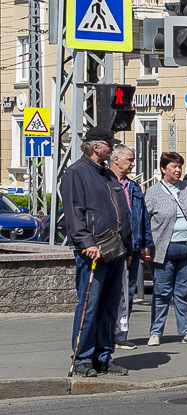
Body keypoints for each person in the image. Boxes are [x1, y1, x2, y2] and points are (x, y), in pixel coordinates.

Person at [59, 128, 131, 378]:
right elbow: (74, 212)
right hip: (94, 251)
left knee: (109, 306)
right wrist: (85, 242)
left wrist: (128, 246)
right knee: (89, 305)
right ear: (96, 146)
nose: (112, 149)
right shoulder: (76, 173)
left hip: (115, 249)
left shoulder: (106, 174)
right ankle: (82, 358)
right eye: (109, 145)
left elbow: (122, 210)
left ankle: (103, 356)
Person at [144, 152, 187, 346]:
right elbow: (144, 220)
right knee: (162, 292)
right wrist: (145, 246)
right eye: (173, 167)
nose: (178, 170)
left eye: (180, 166)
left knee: (182, 292)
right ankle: (155, 332)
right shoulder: (153, 192)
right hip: (163, 250)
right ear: (163, 169)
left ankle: (185, 331)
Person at [110, 144, 154, 351]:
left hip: (133, 246)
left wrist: (145, 245)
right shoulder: (106, 183)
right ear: (116, 160)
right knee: (111, 292)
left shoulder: (134, 188)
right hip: (113, 247)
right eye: (129, 159)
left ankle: (121, 335)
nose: (133, 163)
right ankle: (107, 335)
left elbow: (142, 217)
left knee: (128, 292)